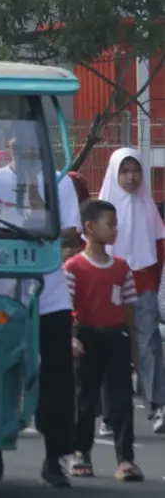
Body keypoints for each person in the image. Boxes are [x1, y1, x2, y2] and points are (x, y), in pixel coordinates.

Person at [0, 132, 81, 487]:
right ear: (7, 147)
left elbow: (70, 232)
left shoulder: (59, 182)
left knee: (57, 377)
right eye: (15, 146)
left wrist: (32, 189)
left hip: (48, 294)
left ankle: (56, 457)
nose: (22, 152)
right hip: (3, 294)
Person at [65, 199, 144, 481]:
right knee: (85, 400)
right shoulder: (74, 267)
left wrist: (133, 345)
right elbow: (66, 307)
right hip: (86, 337)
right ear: (90, 227)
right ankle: (80, 453)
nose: (114, 230)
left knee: (122, 399)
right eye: (109, 224)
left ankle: (126, 460)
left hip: (115, 337)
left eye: (115, 224)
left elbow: (128, 308)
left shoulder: (121, 268)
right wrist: (71, 338)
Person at [97, 149, 165, 433]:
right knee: (110, 348)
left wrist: (152, 279)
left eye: (135, 170)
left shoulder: (148, 207)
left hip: (143, 284)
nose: (131, 176)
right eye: (124, 171)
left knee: (149, 345)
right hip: (108, 287)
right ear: (114, 173)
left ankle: (157, 406)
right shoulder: (103, 208)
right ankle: (110, 416)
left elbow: (158, 247)